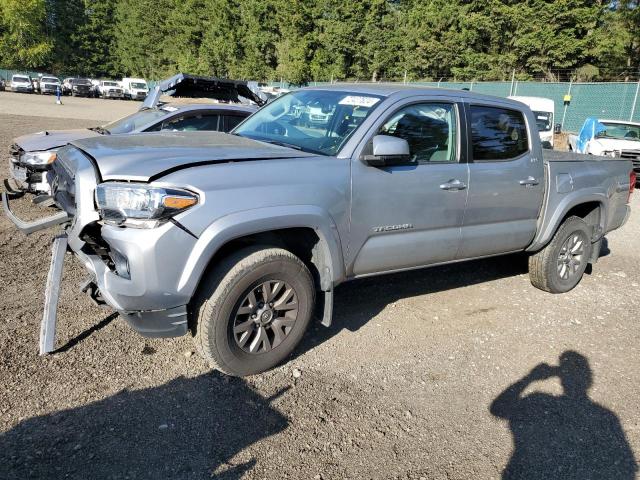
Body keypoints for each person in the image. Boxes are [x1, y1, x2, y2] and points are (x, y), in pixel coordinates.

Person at [490, 351, 637, 479]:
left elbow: (498, 408)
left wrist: (530, 378)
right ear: (589, 379)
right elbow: (627, 468)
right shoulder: (605, 416)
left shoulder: (538, 401)